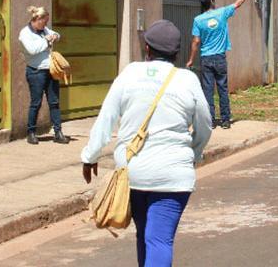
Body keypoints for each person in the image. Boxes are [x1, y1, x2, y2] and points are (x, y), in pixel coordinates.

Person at [81, 20, 212, 267]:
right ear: (176, 53)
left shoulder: (129, 73)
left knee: (145, 235)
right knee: (159, 240)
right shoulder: (187, 80)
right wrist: (193, 154)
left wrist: (90, 156)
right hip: (174, 174)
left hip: (134, 173)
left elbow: (106, 119)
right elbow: (205, 125)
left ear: (147, 49)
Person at [186, 0, 257, 129]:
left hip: (206, 58)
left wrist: (191, 59)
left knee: (208, 91)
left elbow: (196, 41)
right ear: (212, 2)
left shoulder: (198, 20)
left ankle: (210, 121)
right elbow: (238, 3)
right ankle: (225, 120)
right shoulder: (222, 13)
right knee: (222, 89)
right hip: (219, 58)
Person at [18, 6, 69, 145]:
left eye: (47, 22)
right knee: (36, 103)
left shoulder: (44, 30)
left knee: (54, 102)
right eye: (44, 21)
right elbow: (32, 49)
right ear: (36, 19)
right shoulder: (25, 33)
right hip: (35, 72)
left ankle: (58, 132)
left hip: (50, 70)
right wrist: (47, 41)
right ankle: (31, 132)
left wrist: (54, 36)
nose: (46, 25)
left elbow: (56, 35)